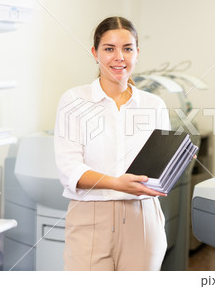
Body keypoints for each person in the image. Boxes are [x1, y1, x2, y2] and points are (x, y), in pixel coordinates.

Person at [54, 17, 170, 271]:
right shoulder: (74, 99)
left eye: (127, 48)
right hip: (90, 215)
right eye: (109, 48)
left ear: (137, 53)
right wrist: (117, 183)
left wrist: (176, 161)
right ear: (95, 53)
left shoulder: (154, 105)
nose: (119, 57)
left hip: (143, 217)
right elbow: (69, 169)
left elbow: (159, 168)